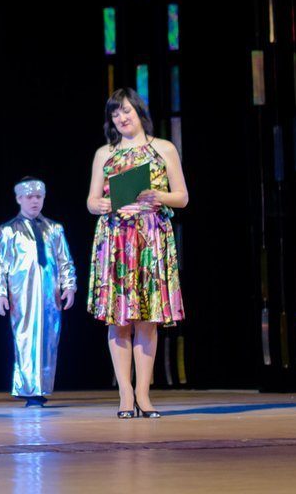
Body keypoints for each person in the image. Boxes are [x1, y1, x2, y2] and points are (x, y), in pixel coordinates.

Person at [86, 88, 188, 419]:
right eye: (115, 114)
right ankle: (125, 395)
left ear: (139, 112)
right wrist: (101, 204)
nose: (121, 118)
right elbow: (91, 201)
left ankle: (144, 394)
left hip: (151, 239)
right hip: (116, 240)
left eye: (126, 111)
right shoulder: (105, 153)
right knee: (119, 320)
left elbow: (182, 197)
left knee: (147, 320)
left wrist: (158, 195)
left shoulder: (163, 148)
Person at [0, 177, 76, 406]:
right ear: (19, 198)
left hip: (50, 294)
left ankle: (41, 387)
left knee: (48, 340)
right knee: (25, 337)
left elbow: (64, 260)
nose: (34, 201)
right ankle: (29, 389)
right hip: (23, 293)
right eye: (29, 197)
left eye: (38, 197)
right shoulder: (9, 230)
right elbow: (0, 264)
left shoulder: (54, 229)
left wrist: (69, 286)